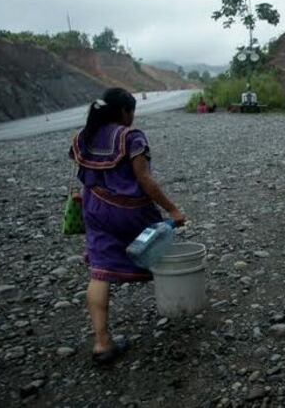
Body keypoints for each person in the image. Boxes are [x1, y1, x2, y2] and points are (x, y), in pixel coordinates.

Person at [69, 88, 186, 365]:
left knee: (99, 272)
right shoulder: (131, 137)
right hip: (131, 211)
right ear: (123, 112)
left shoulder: (83, 136)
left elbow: (84, 175)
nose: (132, 118)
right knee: (159, 248)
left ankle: (102, 342)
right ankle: (179, 302)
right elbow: (144, 180)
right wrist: (172, 209)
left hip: (94, 208)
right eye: (131, 112)